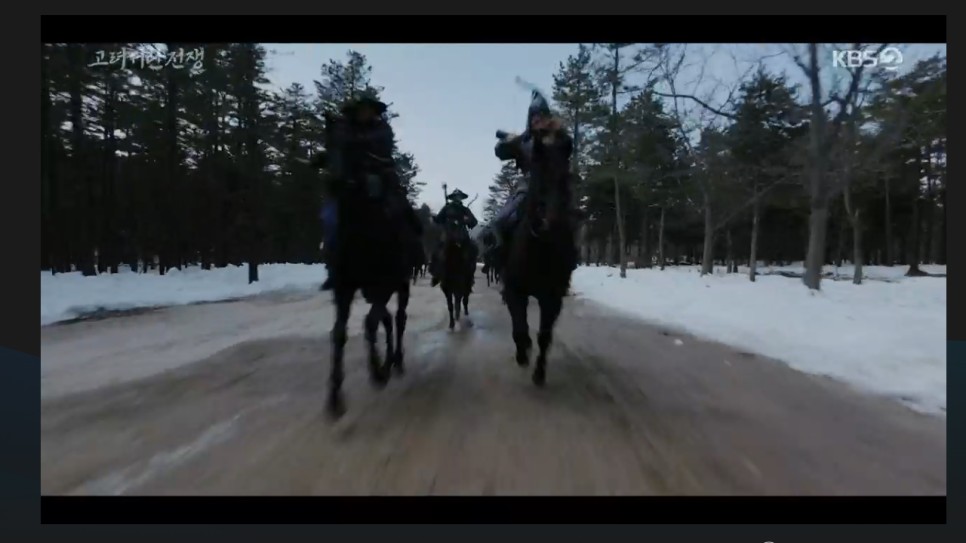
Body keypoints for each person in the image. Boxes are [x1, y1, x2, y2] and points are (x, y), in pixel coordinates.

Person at [318, 92, 422, 291]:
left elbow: (377, 144)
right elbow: (337, 148)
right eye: (361, 110)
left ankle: (412, 254)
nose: (365, 113)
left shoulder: (382, 129)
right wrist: (326, 156)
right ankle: (333, 265)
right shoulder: (346, 128)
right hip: (351, 179)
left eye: (369, 110)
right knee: (330, 215)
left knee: (401, 210)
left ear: (374, 112)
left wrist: (352, 143)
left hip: (379, 175)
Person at [490, 90, 579, 271]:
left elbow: (567, 147)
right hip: (529, 186)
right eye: (534, 118)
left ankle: (569, 258)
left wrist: (552, 135)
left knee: (572, 218)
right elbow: (500, 152)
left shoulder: (559, 139)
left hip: (554, 186)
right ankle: (502, 257)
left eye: (542, 117)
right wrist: (508, 141)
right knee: (500, 221)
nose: (538, 120)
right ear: (530, 120)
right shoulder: (524, 140)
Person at [429, 188, 479, 287]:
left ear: (461, 198)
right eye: (456, 196)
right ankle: (436, 274)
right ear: (452, 198)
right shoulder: (446, 208)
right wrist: (434, 218)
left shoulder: (465, 210)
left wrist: (467, 220)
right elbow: (439, 219)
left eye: (459, 196)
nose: (457, 198)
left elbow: (474, 222)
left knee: (471, 250)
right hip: (448, 234)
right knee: (438, 251)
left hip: (462, 234)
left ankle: (469, 275)